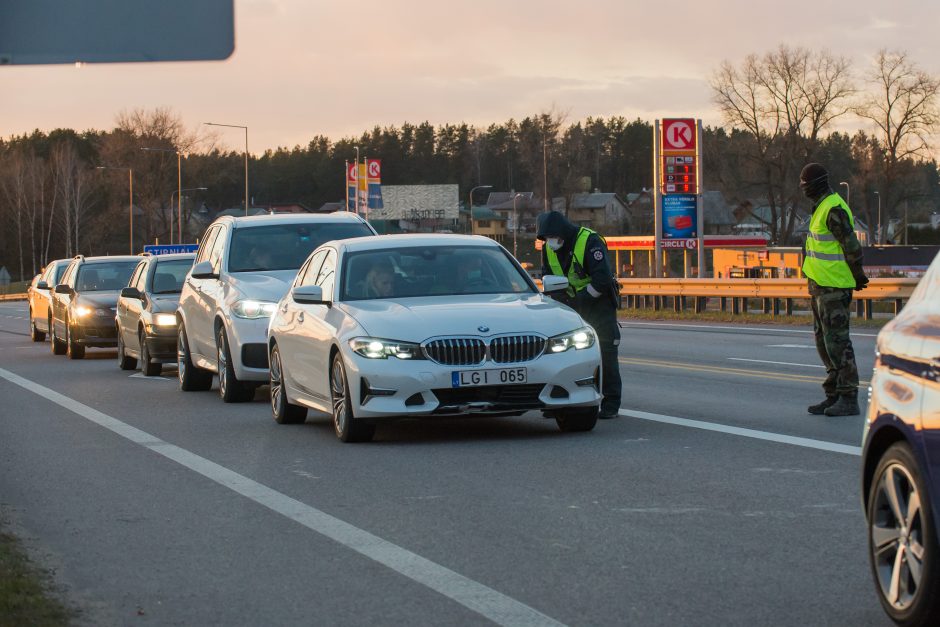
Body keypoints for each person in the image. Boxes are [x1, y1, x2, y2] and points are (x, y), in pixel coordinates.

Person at [537, 210, 622, 419]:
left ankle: (611, 403)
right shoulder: (549, 248)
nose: (550, 242)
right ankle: (560, 402)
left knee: (605, 353)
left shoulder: (589, 242)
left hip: (598, 305)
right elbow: (548, 277)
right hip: (567, 309)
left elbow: (602, 280)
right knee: (564, 355)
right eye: (546, 239)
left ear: (562, 233)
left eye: (552, 238)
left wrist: (581, 300)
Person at [800, 162, 868, 417]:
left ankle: (849, 397)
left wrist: (858, 274)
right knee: (824, 342)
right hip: (820, 285)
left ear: (816, 184)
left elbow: (851, 245)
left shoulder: (833, 208)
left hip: (835, 286)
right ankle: (833, 394)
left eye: (805, 185)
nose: (803, 189)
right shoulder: (820, 207)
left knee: (838, 343)